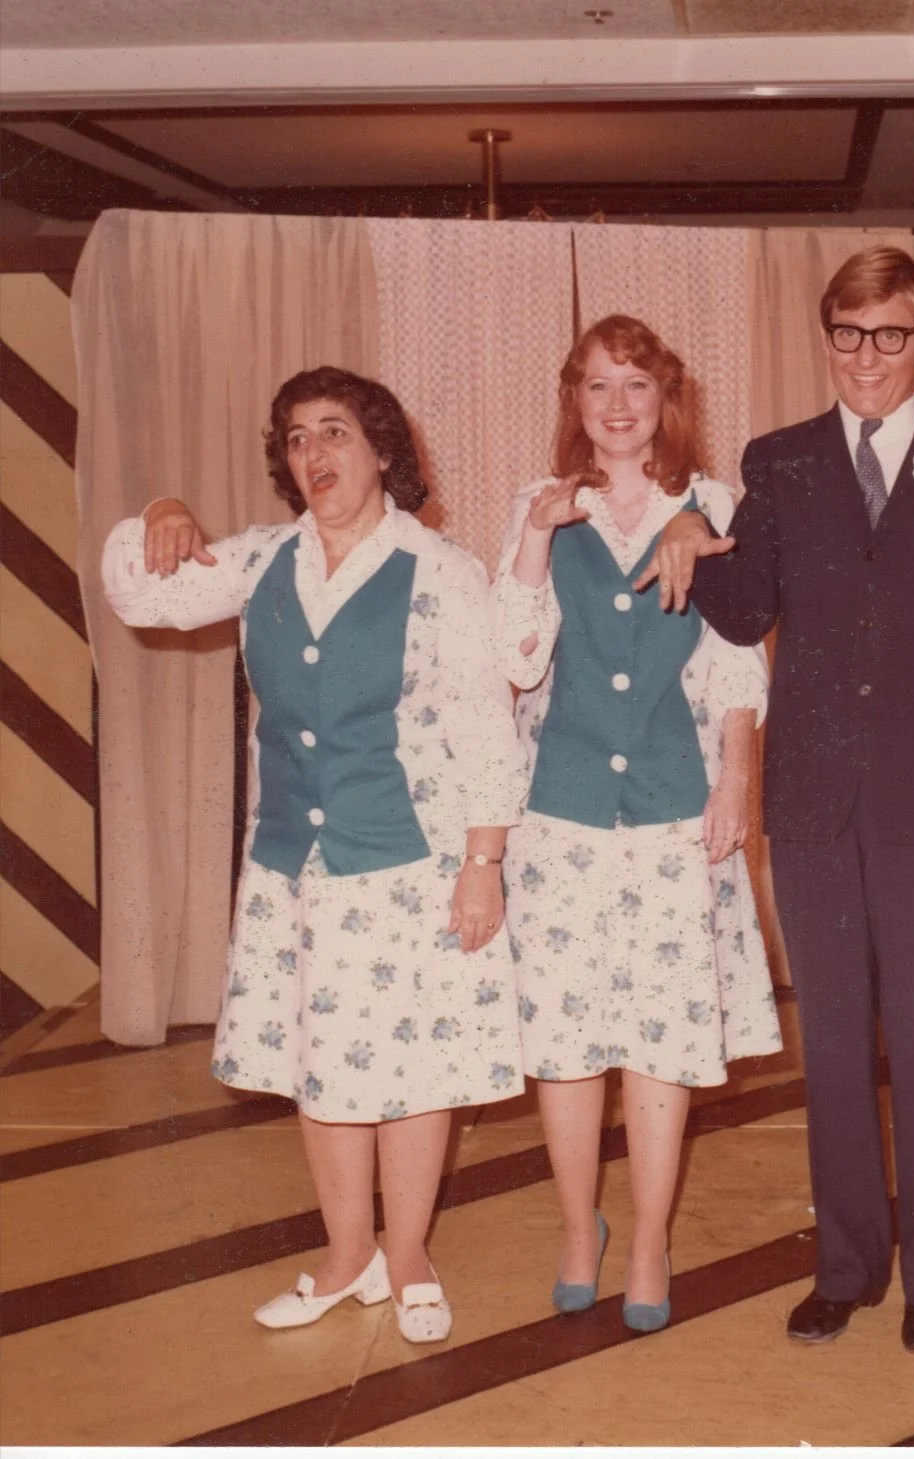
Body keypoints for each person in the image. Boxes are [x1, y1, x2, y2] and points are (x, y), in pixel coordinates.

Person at [638, 247, 914, 1353]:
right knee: (832, 1049)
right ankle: (849, 1264)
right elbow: (739, 607)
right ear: (828, 337)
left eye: (892, 336)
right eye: (848, 333)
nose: (867, 357)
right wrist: (681, 527)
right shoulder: (780, 461)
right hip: (814, 798)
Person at [101, 367, 529, 1344]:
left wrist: (482, 863)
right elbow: (143, 595)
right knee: (322, 1067)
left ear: (381, 449)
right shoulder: (262, 560)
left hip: (410, 864)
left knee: (412, 1070)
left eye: (335, 432)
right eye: (297, 439)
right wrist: (164, 509)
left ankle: (409, 1252)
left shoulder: (440, 572)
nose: (316, 455)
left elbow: (482, 730)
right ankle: (348, 1258)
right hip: (296, 865)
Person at [493, 315, 781, 1334]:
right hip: (560, 817)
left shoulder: (711, 507)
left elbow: (737, 662)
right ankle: (582, 1227)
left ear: (667, 400)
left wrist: (735, 779)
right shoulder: (541, 511)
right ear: (574, 401)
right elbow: (517, 662)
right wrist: (534, 534)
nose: (617, 407)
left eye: (637, 387)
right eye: (597, 387)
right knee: (567, 1044)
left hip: (673, 812)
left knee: (660, 1041)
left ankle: (650, 1235)